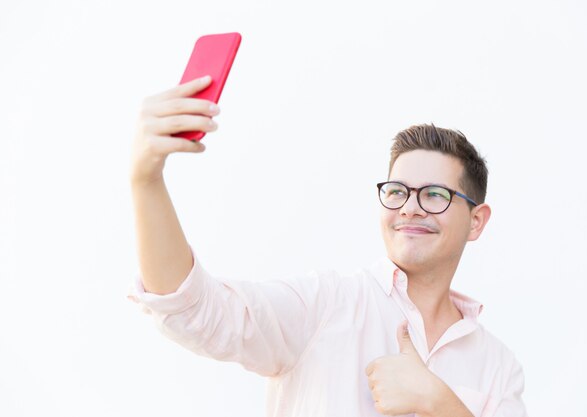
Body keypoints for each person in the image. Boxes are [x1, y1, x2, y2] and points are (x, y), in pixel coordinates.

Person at [128, 75, 527, 417]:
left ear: (476, 221)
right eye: (398, 191)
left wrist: (439, 402)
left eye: (435, 195)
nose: (409, 208)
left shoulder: (497, 366)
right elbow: (197, 310)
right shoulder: (324, 305)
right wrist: (146, 180)